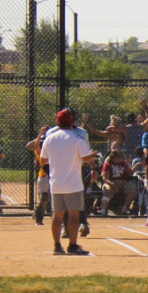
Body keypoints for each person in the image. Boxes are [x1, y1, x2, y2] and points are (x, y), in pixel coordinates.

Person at [39, 109, 94, 255]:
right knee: (74, 215)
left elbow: (43, 160)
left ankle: (57, 246)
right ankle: (72, 245)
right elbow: (87, 159)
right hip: (73, 183)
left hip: (56, 183)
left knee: (57, 215)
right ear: (72, 121)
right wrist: (92, 155)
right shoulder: (77, 138)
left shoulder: (50, 138)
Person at [26, 128, 52, 225]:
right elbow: (36, 145)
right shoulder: (41, 152)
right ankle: (39, 218)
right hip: (44, 176)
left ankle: (60, 220)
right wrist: (40, 134)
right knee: (44, 198)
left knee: (54, 198)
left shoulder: (56, 151)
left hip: (54, 176)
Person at [101, 146, 136, 215]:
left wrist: (136, 165)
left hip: (123, 182)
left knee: (133, 190)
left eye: (120, 157)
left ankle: (124, 209)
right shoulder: (108, 165)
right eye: (117, 157)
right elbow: (105, 178)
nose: (119, 159)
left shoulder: (123, 163)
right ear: (113, 157)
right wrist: (113, 185)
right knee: (107, 190)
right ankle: (103, 211)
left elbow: (130, 172)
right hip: (111, 182)